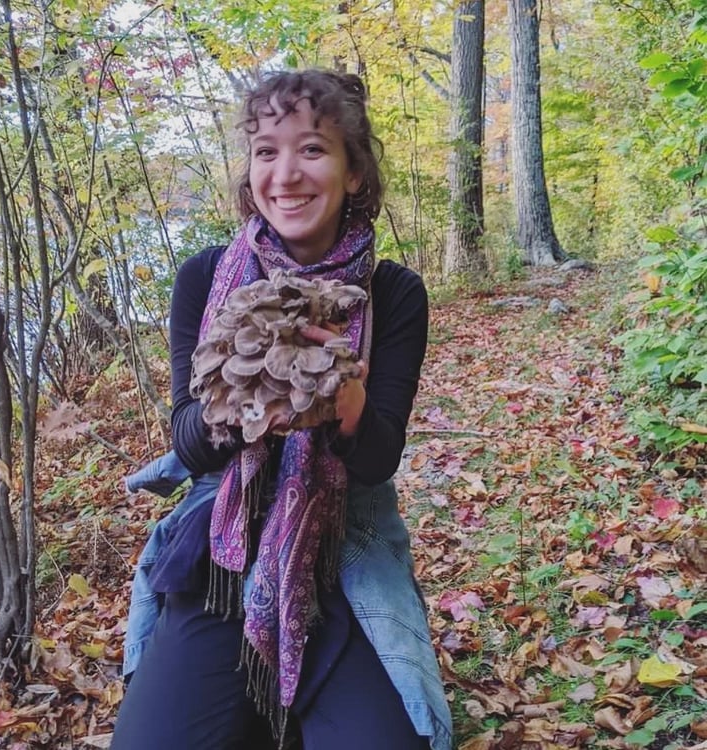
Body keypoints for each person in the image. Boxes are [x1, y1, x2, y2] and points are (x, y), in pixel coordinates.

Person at [111, 69, 452, 750]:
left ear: (354, 172)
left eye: (313, 149)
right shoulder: (205, 277)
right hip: (224, 543)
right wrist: (243, 407)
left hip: (346, 541)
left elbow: (378, 458)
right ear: (250, 169)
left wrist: (344, 402)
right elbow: (187, 438)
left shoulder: (394, 292)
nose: (286, 174)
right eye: (267, 151)